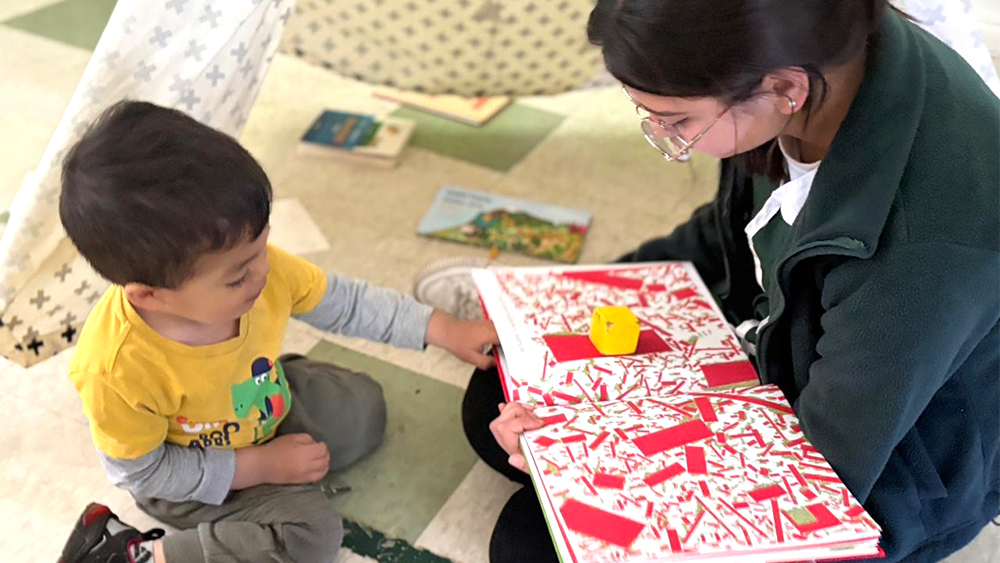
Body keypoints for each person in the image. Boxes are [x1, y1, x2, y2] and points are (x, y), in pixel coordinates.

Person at [463, 1, 1000, 562]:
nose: (661, 135)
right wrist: (567, 306)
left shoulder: (924, 247)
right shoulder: (809, 49)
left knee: (528, 543)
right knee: (497, 396)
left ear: (783, 89)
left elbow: (815, 474)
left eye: (675, 122)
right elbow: (729, 233)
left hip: (881, 471)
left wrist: (592, 446)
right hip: (774, 342)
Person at [55, 100, 499, 563]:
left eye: (263, 246)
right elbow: (146, 475)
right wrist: (259, 466)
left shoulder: (250, 266)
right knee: (311, 535)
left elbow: (346, 304)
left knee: (364, 408)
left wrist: (443, 329)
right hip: (191, 473)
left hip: (260, 401)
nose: (264, 273)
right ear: (149, 296)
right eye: (237, 276)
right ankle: (134, 554)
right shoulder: (115, 367)